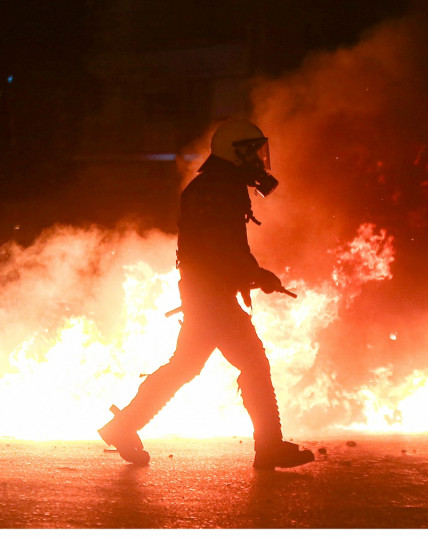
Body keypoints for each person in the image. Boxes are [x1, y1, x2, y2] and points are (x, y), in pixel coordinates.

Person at [98, 120, 314, 470]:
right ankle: (270, 447)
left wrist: (253, 275)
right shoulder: (218, 190)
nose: (259, 159)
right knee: (253, 364)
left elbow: (221, 250)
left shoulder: (217, 186)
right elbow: (220, 250)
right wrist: (257, 275)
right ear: (236, 152)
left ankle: (122, 427)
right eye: (253, 151)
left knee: (184, 367)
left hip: (206, 294)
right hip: (212, 297)